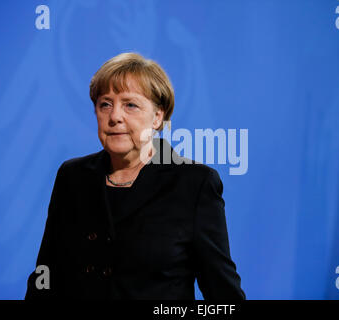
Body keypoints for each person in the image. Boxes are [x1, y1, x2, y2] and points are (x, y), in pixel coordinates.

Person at [25, 52, 245, 299]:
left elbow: (224, 295)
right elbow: (45, 277)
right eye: (105, 104)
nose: (115, 116)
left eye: (130, 105)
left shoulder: (194, 183)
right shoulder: (72, 177)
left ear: (158, 116)